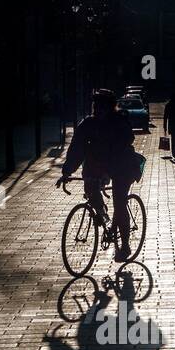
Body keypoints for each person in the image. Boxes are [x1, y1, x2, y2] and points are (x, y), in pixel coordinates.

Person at [58, 89, 136, 261]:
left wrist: (109, 172)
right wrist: (66, 171)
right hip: (99, 166)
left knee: (119, 202)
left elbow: (126, 141)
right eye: (96, 105)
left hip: (122, 166)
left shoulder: (119, 122)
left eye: (103, 106)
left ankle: (125, 246)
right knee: (91, 191)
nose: (99, 109)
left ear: (110, 107)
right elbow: (76, 148)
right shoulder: (88, 124)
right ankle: (105, 217)